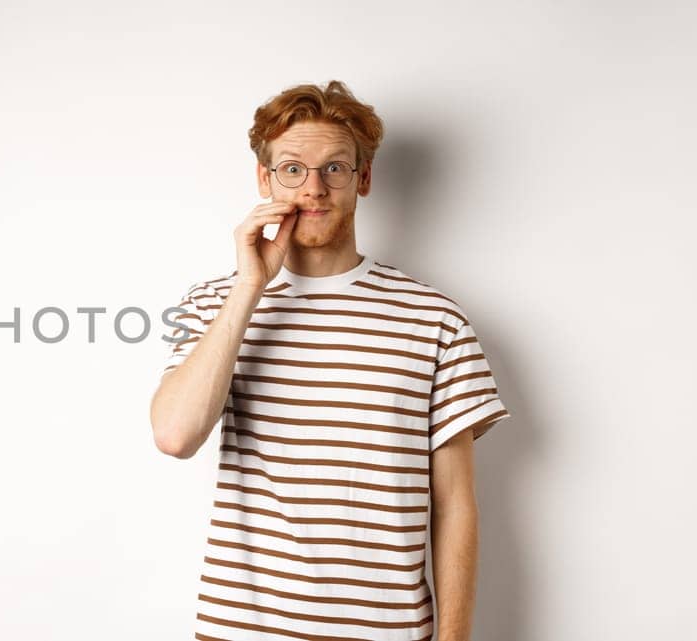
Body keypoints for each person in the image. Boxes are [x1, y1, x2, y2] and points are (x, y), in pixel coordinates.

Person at [149, 80, 511, 641]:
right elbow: (174, 436)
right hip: (241, 630)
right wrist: (250, 286)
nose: (313, 188)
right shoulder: (212, 304)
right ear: (265, 179)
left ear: (363, 179)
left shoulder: (435, 319)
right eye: (292, 169)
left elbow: (455, 503)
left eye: (335, 169)